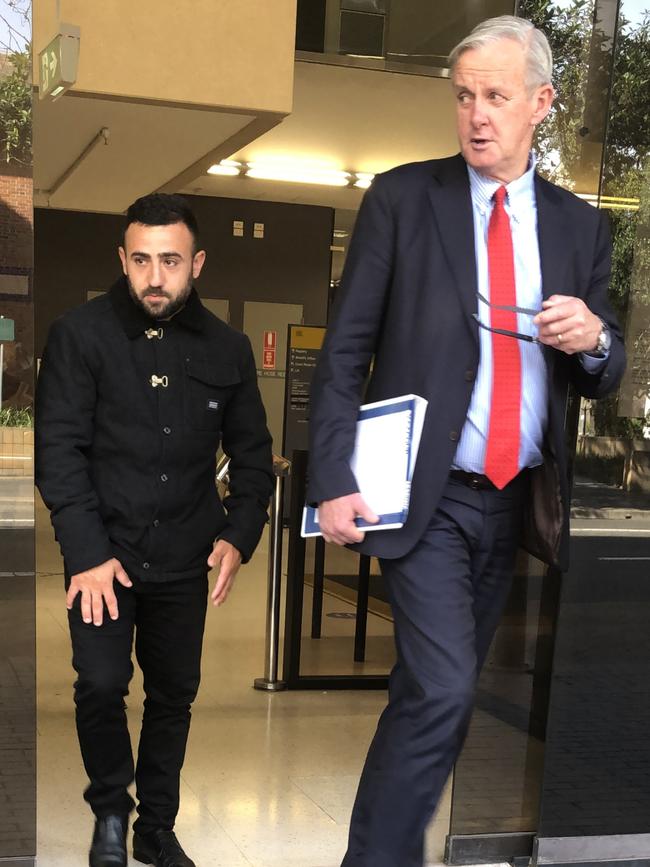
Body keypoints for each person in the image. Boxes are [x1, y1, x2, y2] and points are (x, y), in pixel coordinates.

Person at [307, 15, 626, 867]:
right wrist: (330, 476)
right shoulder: (404, 200)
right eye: (464, 97)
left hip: (514, 499)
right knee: (448, 688)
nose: (477, 114)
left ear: (541, 104)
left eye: (496, 96)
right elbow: (344, 352)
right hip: (427, 492)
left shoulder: (578, 228)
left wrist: (592, 335)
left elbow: (605, 369)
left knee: (428, 694)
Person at [36, 193, 273, 867]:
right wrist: (86, 555)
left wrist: (238, 533)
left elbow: (255, 457)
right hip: (103, 556)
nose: (154, 276)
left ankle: (156, 826)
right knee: (102, 684)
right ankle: (111, 810)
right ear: (123, 259)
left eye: (170, 260)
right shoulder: (80, 335)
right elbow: (59, 452)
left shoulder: (227, 348)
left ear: (196, 263)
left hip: (184, 555)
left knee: (174, 694)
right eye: (141, 259)